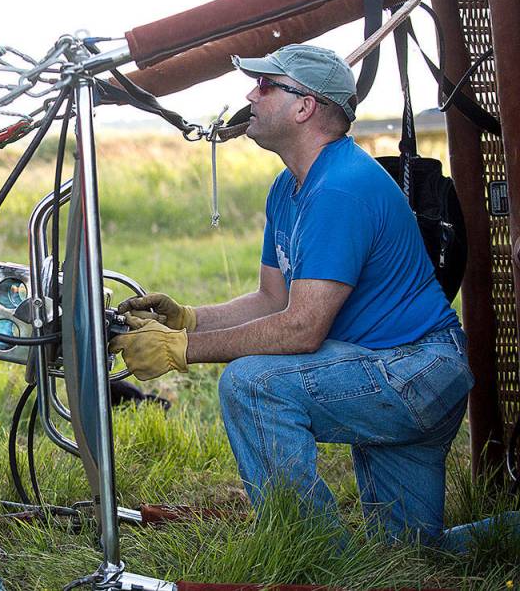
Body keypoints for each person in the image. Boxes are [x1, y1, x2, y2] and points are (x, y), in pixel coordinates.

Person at [108, 44, 472, 544]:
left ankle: (312, 554)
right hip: (385, 365)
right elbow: (271, 300)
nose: (249, 94)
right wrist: (188, 320)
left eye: (265, 85)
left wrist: (180, 352)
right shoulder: (289, 187)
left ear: (304, 107)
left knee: (252, 384)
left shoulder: (340, 188)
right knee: (413, 552)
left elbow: (301, 328)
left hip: (414, 372)